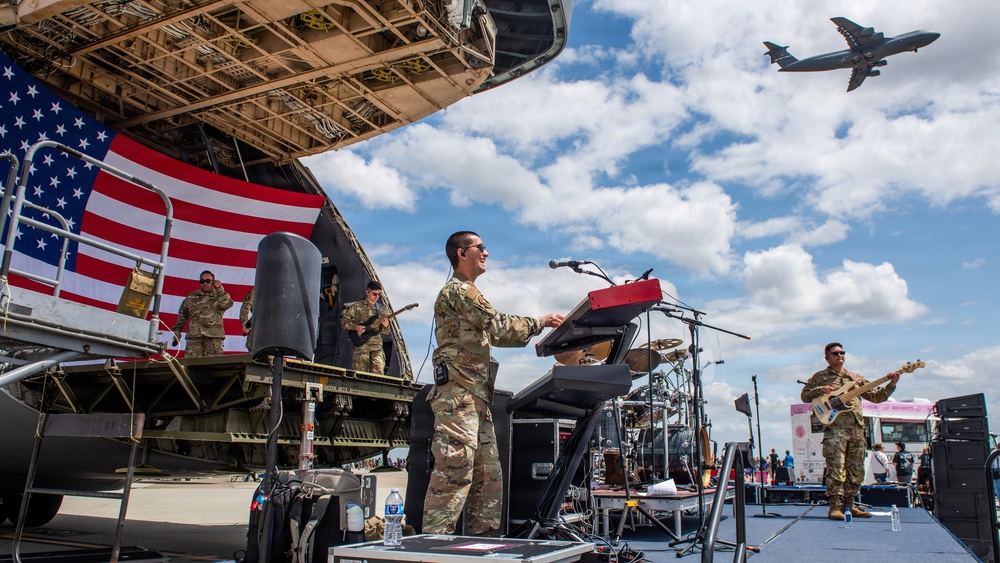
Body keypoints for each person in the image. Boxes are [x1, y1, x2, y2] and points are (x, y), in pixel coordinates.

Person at [422, 231, 563, 536]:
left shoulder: (468, 293)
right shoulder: (459, 291)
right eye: (480, 247)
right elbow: (498, 325)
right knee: (454, 472)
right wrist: (541, 321)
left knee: (488, 477)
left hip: (475, 397)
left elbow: (498, 335)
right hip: (458, 396)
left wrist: (537, 329)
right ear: (461, 253)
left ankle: (482, 545)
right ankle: (431, 546)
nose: (486, 253)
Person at [800, 342, 901, 520]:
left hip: (856, 429)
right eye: (835, 353)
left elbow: (875, 396)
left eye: (842, 353)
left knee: (856, 469)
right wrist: (820, 389)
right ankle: (834, 507)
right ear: (827, 358)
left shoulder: (856, 378)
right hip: (835, 429)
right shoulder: (820, 376)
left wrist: (891, 384)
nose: (840, 356)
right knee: (836, 468)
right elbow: (805, 395)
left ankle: (849, 505)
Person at [172, 270, 234, 357]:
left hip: (213, 338)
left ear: (213, 282)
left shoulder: (219, 295)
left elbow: (226, 304)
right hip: (194, 338)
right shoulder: (191, 297)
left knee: (213, 363)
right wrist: (177, 332)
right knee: (192, 363)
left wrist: (220, 288)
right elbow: (182, 315)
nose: (205, 283)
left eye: (208, 281)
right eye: (202, 281)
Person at [341, 281, 391, 374]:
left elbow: (386, 332)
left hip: (376, 347)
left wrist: (386, 325)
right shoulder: (357, 306)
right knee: (360, 375)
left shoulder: (382, 310)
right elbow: (344, 322)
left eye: (379, 294)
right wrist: (356, 327)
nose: (377, 297)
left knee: (379, 371)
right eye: (374, 294)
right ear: (367, 292)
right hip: (361, 347)